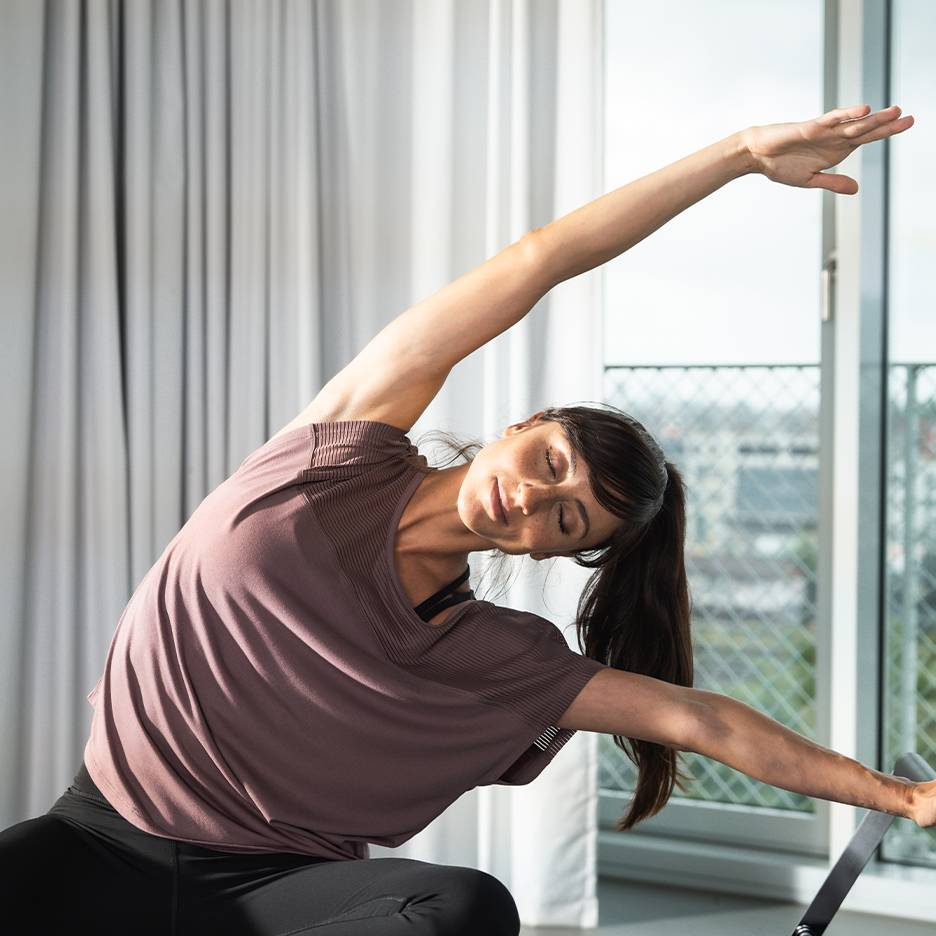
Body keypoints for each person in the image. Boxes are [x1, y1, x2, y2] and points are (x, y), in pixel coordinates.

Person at [1, 103, 931, 935]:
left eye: (567, 523)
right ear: (526, 427)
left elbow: (701, 723)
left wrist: (902, 797)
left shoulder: (487, 652)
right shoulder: (339, 452)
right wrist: (735, 153)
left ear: (557, 552)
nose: (533, 499)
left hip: (272, 886)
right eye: (552, 463)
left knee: (464, 908)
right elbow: (540, 259)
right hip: (94, 838)